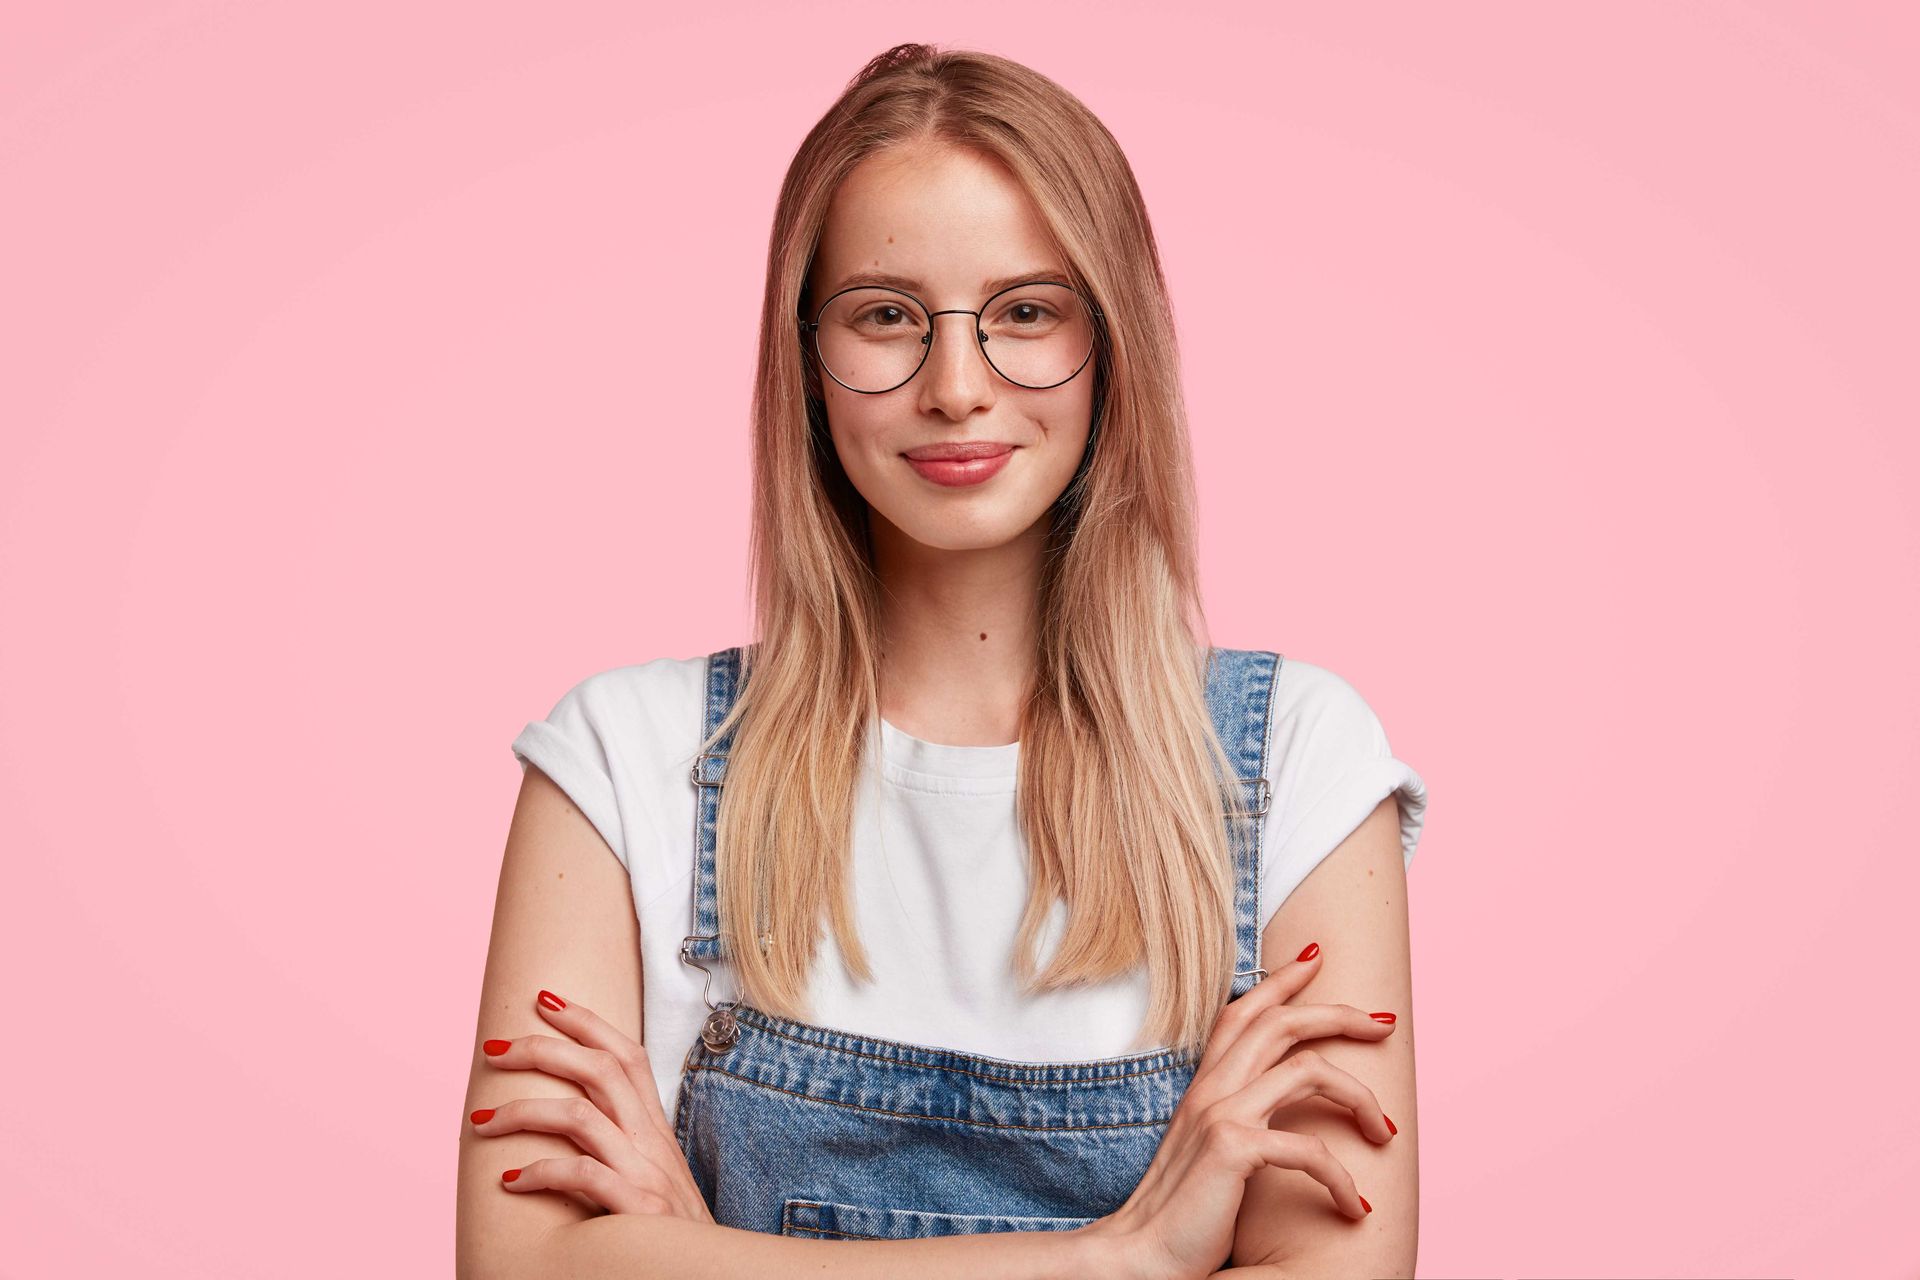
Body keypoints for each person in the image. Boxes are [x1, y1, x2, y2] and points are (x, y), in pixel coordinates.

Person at [456, 42, 1427, 1279]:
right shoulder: (621, 761)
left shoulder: (1292, 761)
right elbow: (518, 1267)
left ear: (1113, 343)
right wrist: (1119, 1258)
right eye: (884, 316)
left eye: (1027, 310)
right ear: (806, 363)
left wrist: (699, 1257)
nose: (957, 386)